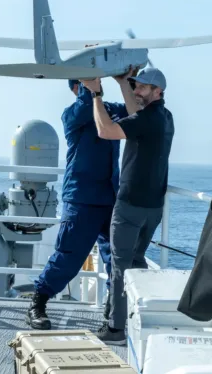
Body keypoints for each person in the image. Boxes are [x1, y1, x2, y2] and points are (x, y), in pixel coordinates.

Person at [81, 65, 174, 345]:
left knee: (121, 266)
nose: (137, 91)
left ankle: (116, 329)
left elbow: (106, 131)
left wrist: (96, 94)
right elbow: (137, 110)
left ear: (158, 91)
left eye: (142, 87)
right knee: (135, 262)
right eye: (136, 86)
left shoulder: (146, 120)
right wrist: (123, 83)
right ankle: (132, 316)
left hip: (131, 205)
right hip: (153, 207)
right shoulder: (165, 117)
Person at [26, 78, 129, 330]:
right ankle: (37, 303)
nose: (96, 86)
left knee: (116, 258)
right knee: (68, 256)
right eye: (84, 84)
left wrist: (127, 79)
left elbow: (133, 109)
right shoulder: (72, 114)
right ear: (76, 88)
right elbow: (86, 108)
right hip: (81, 197)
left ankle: (112, 311)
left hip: (109, 197)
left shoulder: (110, 110)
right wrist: (90, 89)